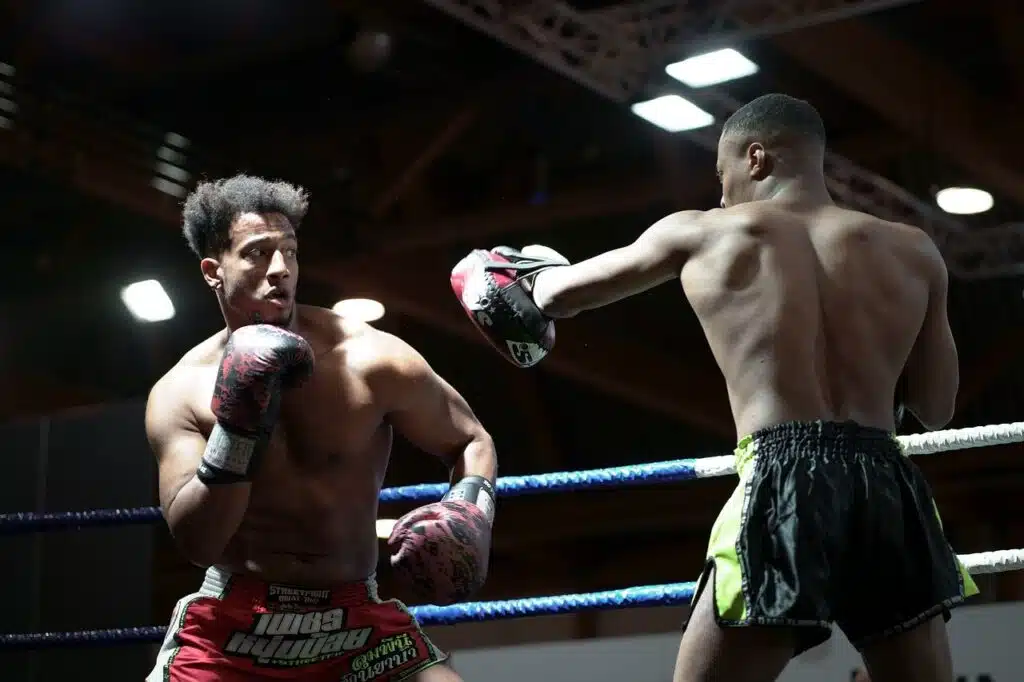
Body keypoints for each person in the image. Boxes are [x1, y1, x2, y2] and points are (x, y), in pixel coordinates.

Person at [450, 94, 977, 682]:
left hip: (784, 477)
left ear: (756, 158)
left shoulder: (703, 232)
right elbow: (936, 408)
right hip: (887, 483)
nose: (722, 197)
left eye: (723, 177)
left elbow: (551, 296)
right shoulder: (914, 250)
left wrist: (499, 267)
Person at [145, 174, 497, 682]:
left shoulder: (368, 358)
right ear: (212, 271)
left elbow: (470, 439)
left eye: (289, 251)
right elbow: (198, 543)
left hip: (355, 621)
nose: (280, 269)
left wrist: (469, 510)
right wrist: (237, 428)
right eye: (257, 253)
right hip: (233, 627)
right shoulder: (181, 391)